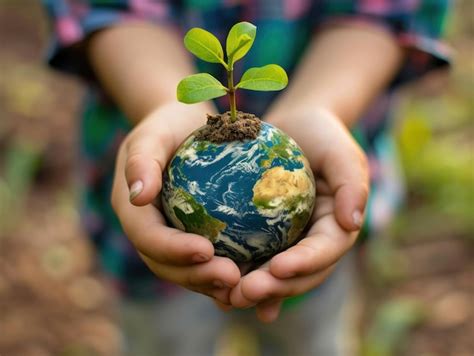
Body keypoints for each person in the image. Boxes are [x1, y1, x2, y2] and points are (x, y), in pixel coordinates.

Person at [42, 0, 450, 354]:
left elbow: (383, 13)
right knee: (165, 338)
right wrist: (162, 103)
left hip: (318, 212)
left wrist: (322, 107)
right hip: (151, 240)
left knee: (310, 335)